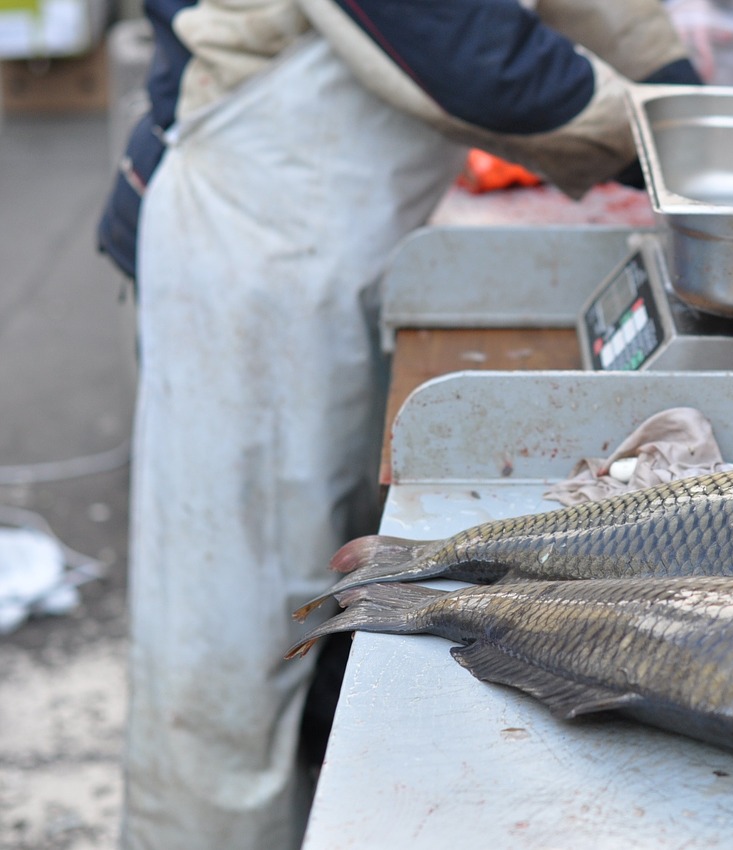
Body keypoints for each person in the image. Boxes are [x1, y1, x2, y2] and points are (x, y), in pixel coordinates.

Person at [95, 2, 700, 848]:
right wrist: (683, 145)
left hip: (342, 241)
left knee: (322, 607)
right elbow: (458, 43)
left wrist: (686, 93)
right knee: (234, 651)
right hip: (252, 244)